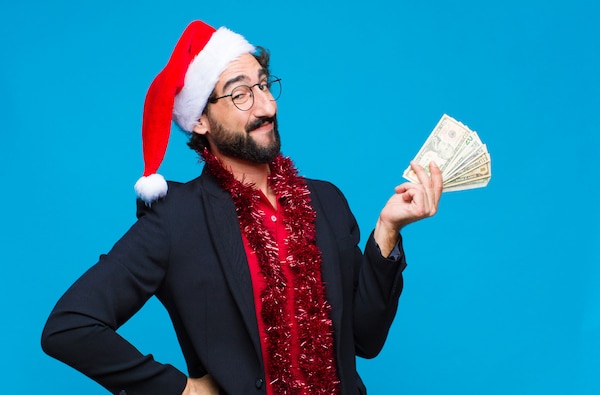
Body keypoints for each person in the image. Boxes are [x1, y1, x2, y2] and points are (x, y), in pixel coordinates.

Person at [41, 20, 443, 395]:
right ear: (200, 120)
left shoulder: (327, 201)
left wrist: (388, 231)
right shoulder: (175, 218)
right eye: (240, 94)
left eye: (264, 86)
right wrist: (181, 390)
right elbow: (69, 327)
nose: (267, 106)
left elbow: (365, 340)